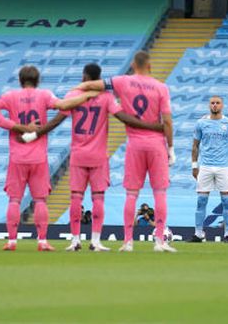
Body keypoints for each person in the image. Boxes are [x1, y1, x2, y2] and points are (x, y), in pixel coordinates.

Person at [0, 64, 97, 251]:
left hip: (17, 156)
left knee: (14, 199)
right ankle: (42, 241)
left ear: (20, 80)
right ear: (37, 81)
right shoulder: (45, 95)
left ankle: (12, 241)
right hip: (38, 157)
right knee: (40, 200)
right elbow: (62, 106)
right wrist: (85, 96)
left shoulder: (10, 96)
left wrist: (16, 127)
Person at [75, 51, 175, 253]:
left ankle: (128, 241)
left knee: (131, 194)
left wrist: (81, 90)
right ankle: (159, 242)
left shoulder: (121, 81)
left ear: (132, 64)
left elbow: (90, 85)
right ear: (149, 65)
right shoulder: (161, 87)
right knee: (160, 192)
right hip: (156, 145)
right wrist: (170, 148)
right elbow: (167, 122)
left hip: (134, 144)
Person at [58, 63, 160, 252]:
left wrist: (36, 133)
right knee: (98, 198)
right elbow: (124, 117)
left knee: (75, 198)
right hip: (98, 156)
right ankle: (95, 241)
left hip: (78, 155)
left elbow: (58, 117)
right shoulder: (106, 97)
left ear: (84, 76)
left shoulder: (72, 96)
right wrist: (149, 125)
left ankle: (74, 240)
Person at [191, 95, 228, 242]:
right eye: (212, 103)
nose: (215, 105)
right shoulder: (201, 123)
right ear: (209, 105)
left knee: (226, 202)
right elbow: (195, 146)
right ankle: (198, 233)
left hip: (223, 167)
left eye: (217, 103)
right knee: (201, 201)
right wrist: (194, 166)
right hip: (206, 167)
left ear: (222, 105)